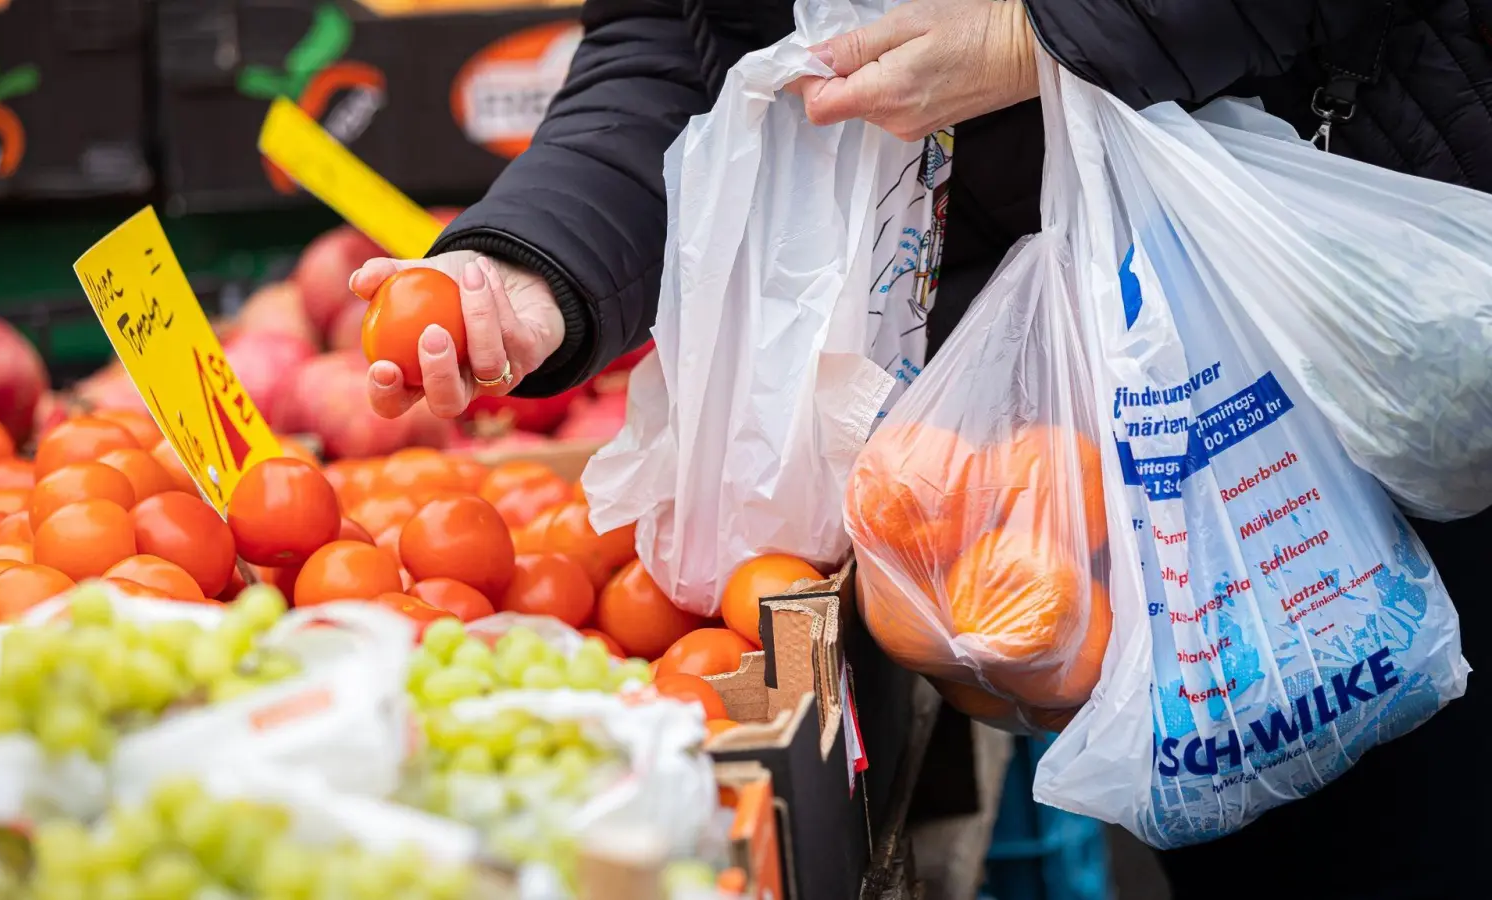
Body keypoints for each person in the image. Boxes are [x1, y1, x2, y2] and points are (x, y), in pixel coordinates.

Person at [353, 1, 1492, 896]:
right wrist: (524, 267)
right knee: (1260, 813)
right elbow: (679, 40)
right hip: (1091, 418)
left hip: (1354, 292)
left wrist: (1050, 28)